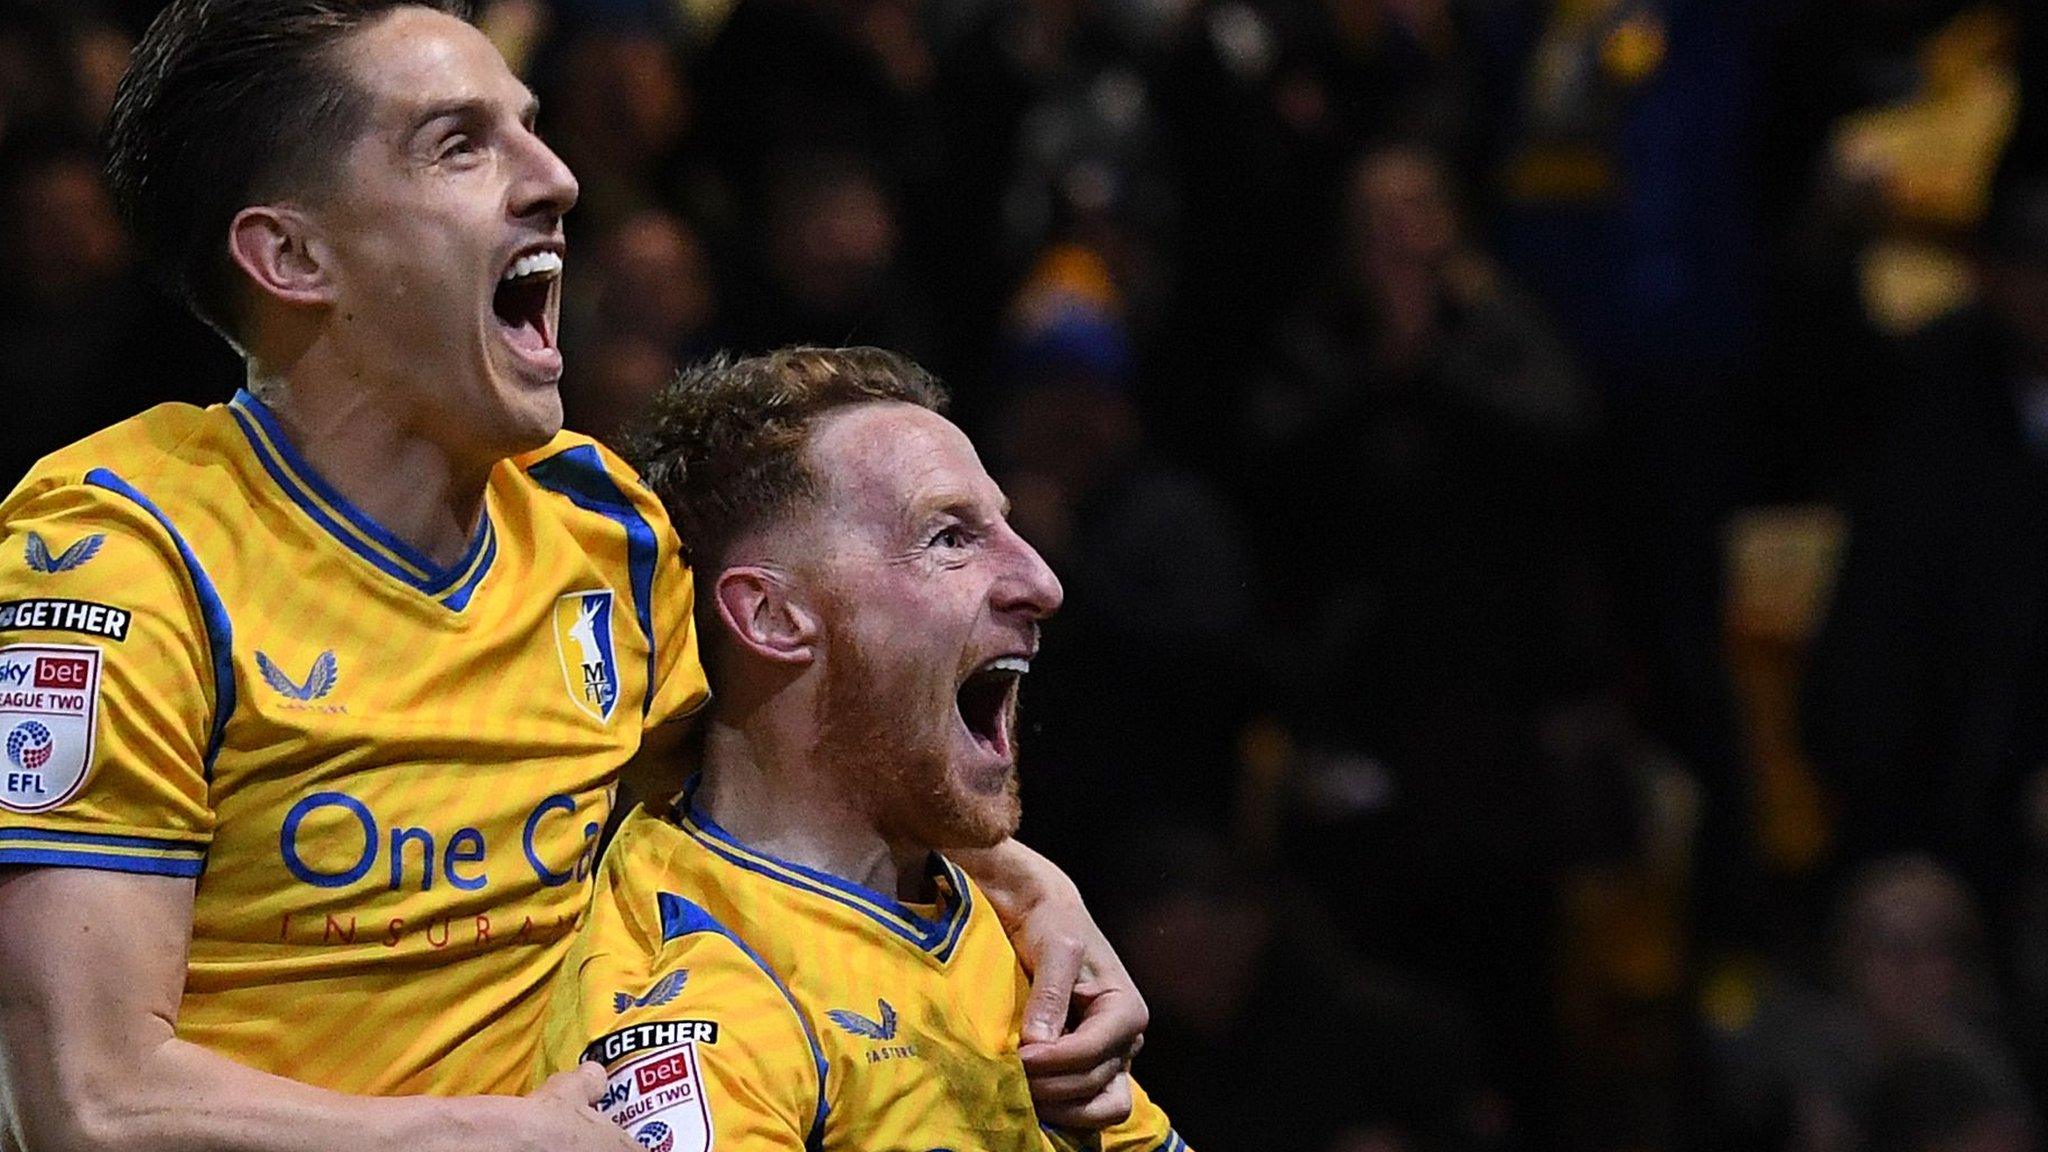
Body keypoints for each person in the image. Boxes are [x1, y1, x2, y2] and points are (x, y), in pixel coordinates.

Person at [0, 4, 1142, 1149]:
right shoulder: (120, 559)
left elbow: (800, 775)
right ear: (291, 256)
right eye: (459, 144)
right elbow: (89, 1102)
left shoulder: (602, 529)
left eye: (528, 129)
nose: (553, 177)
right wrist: (491, 1137)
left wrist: (1024, 891)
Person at [536, 346, 1184, 1151]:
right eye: (950, 538)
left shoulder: (997, 930)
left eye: (1006, 527)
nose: (1042, 581)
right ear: (771, 616)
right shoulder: (697, 1005)